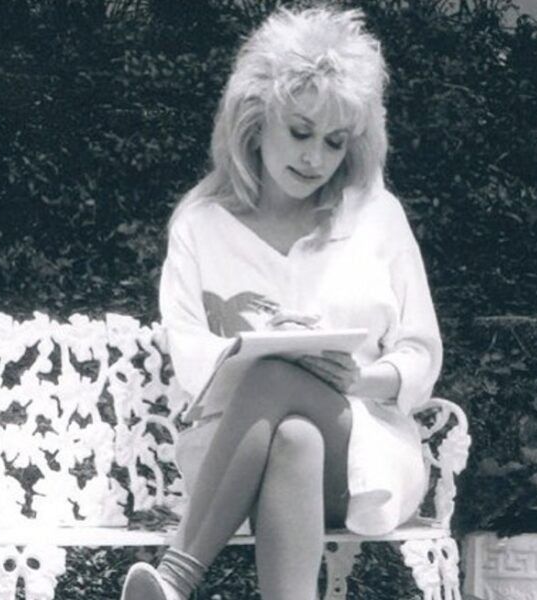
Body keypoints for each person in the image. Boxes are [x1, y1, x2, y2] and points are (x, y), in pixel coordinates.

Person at [120, 6, 442, 600]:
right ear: (255, 117)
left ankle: (175, 578)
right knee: (293, 433)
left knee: (278, 383)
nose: (314, 158)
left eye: (334, 142)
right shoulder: (201, 223)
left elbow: (422, 351)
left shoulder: (376, 216)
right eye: (300, 131)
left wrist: (359, 378)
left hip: (362, 450)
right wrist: (266, 349)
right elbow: (193, 360)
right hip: (232, 456)